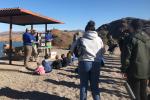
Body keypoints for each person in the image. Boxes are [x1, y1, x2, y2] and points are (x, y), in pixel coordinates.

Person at [71, 20, 104, 100]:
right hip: (96, 63)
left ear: (86, 30)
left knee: (83, 86)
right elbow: (103, 51)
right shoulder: (99, 39)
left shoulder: (81, 39)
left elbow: (71, 49)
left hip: (84, 63)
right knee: (95, 86)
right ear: (94, 30)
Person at [121, 19, 150, 100]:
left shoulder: (130, 38)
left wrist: (124, 69)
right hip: (146, 70)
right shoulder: (148, 39)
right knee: (143, 93)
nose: (129, 27)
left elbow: (126, 57)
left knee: (135, 94)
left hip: (134, 71)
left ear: (132, 27)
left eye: (129, 26)